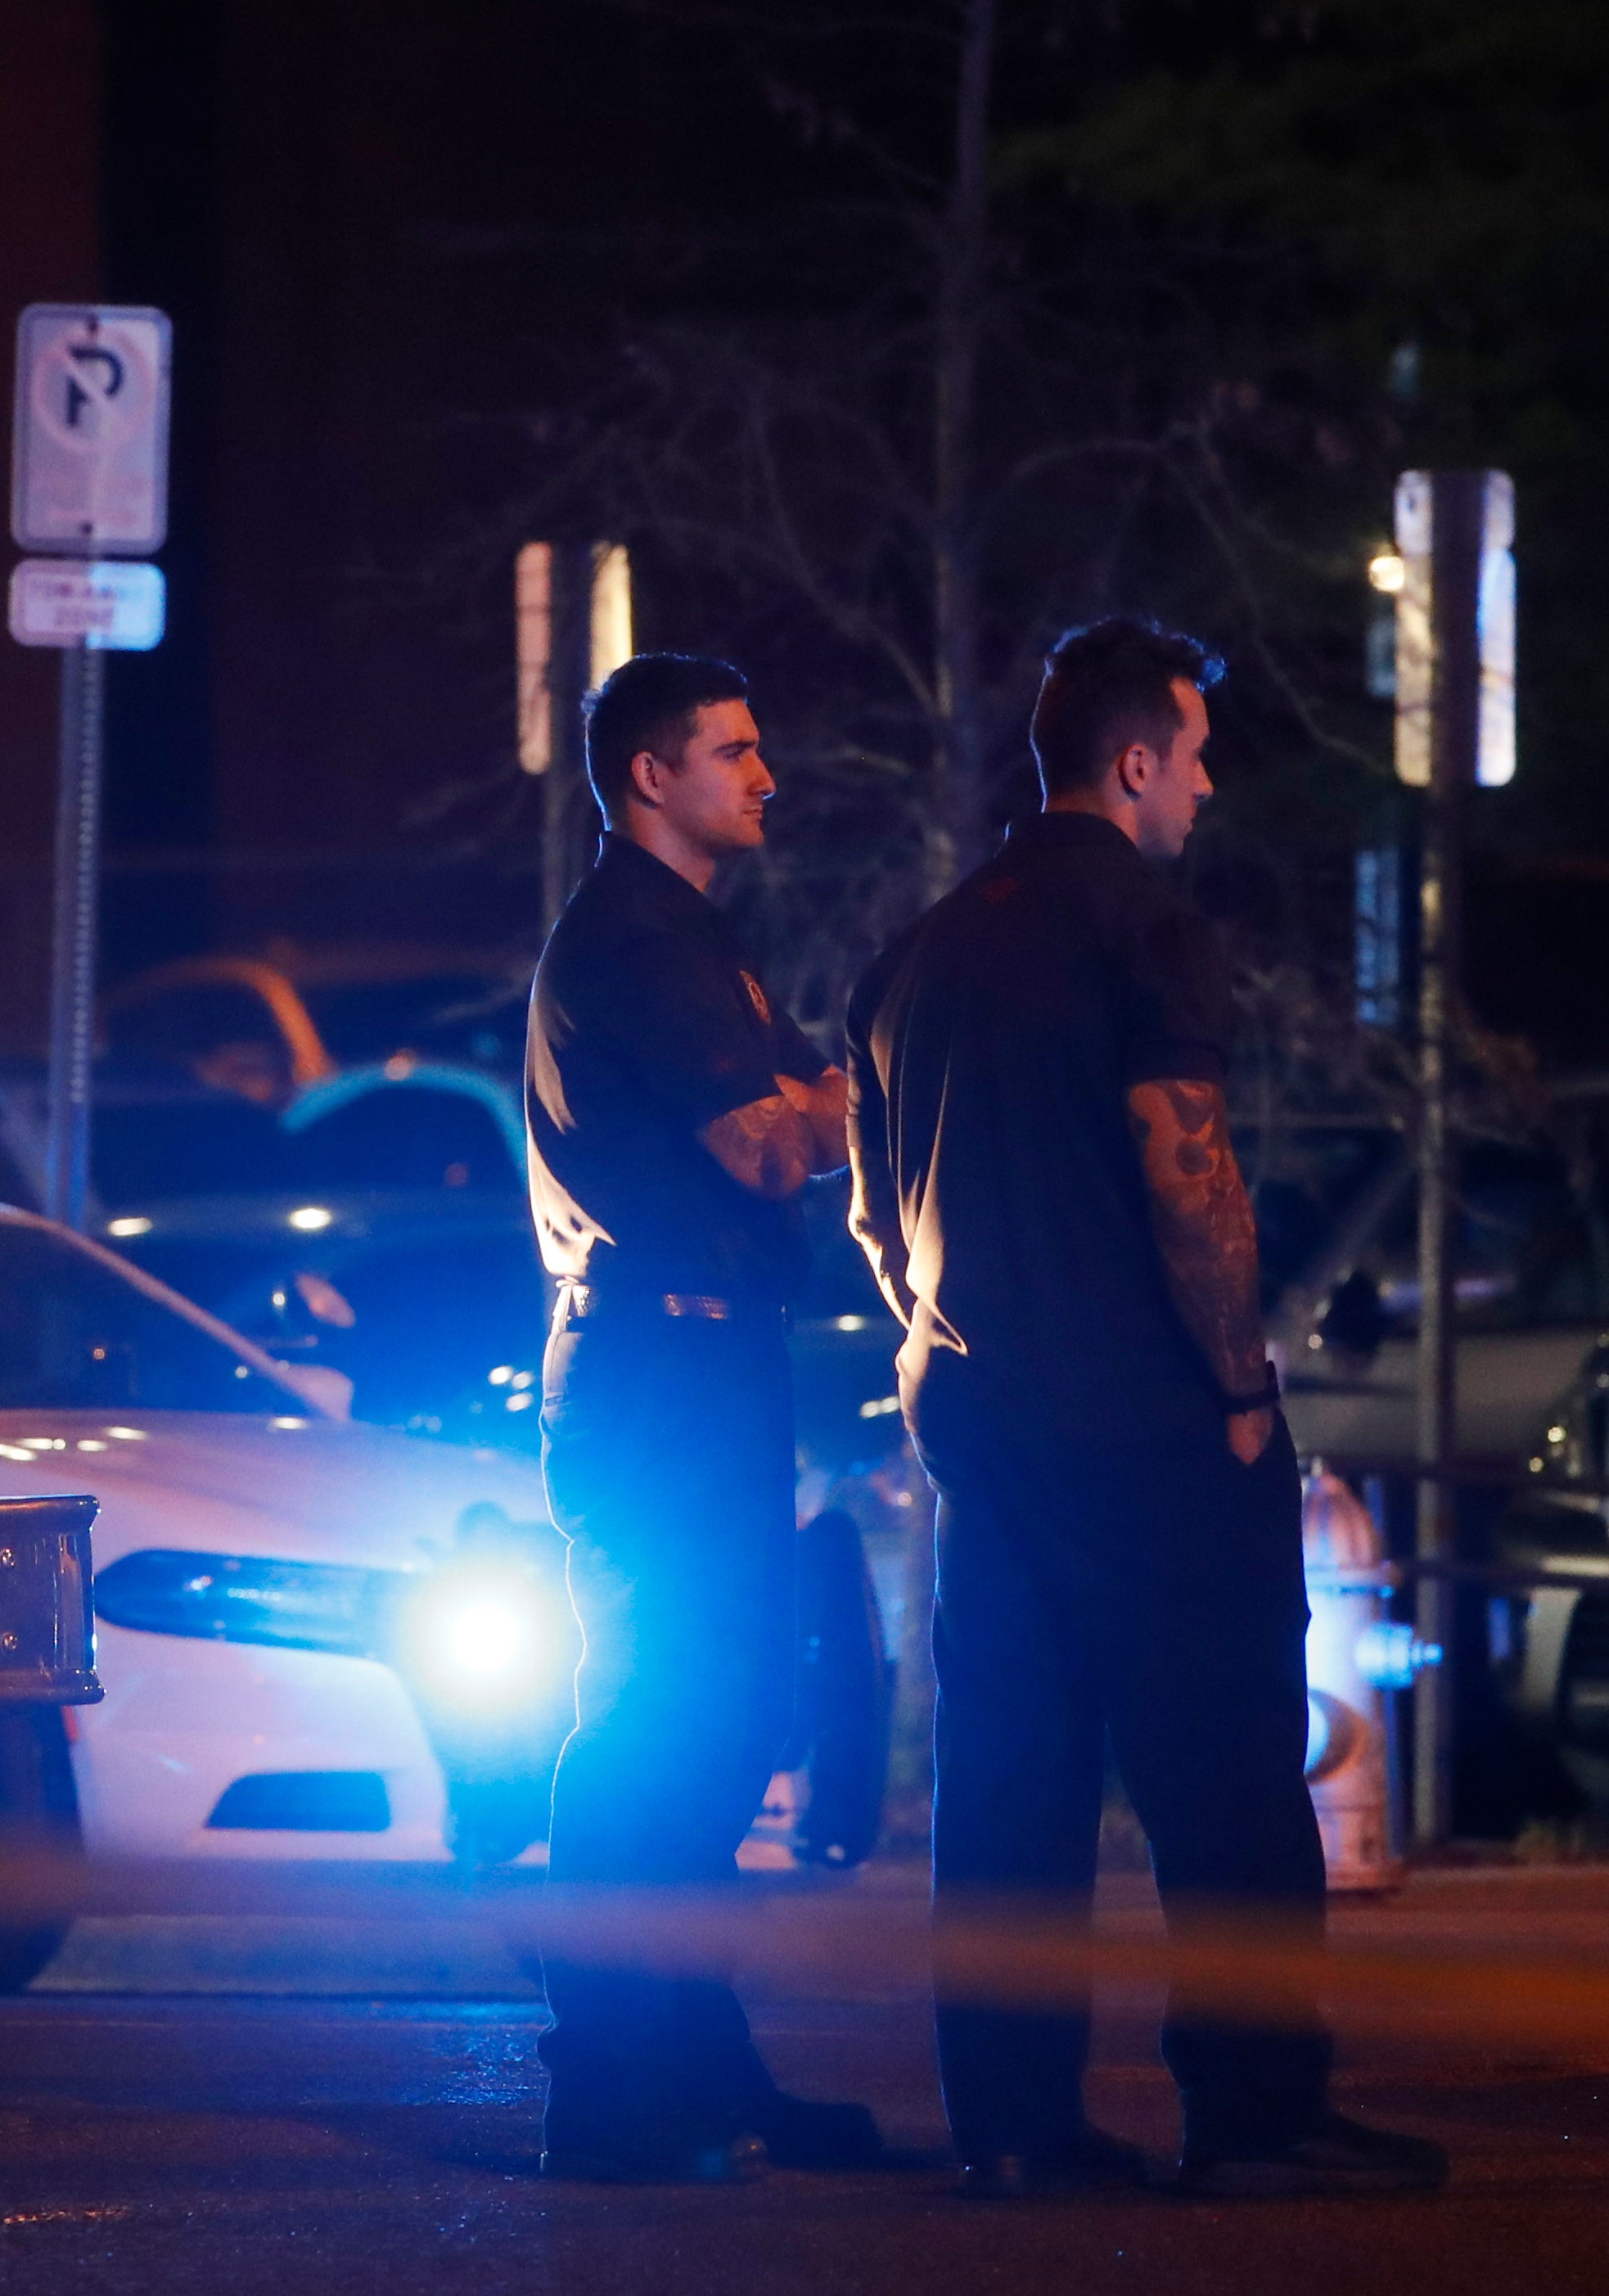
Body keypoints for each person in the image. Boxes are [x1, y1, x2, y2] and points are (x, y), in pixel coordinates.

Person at [847, 617, 1444, 2199]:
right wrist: (1241, 1384)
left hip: (979, 1425)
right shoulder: (1146, 933)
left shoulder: (915, 953)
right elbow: (1192, 1179)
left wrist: (943, 1352)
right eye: (1192, 752)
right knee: (1228, 1776)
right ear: (1132, 762)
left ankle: (1017, 2126)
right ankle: (1256, 2113)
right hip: (1147, 1425)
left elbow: (868, 1218)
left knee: (1008, 1786)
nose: (1207, 782)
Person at [520, 652, 873, 2183]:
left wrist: (815, 1101)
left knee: (709, 1716)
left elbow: (796, 1110)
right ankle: (608, 2076)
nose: (764, 775)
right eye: (733, 752)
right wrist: (842, 1101)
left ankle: (682, 2064)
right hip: (664, 1374)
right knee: (670, 1715)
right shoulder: (640, 945)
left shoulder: (688, 941)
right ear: (651, 775)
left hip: (695, 1365)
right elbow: (770, 1150)